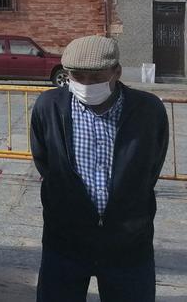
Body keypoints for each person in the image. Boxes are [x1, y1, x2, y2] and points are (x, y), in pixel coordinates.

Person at [30, 35, 168, 302]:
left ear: (116, 71)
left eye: (95, 77)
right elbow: (46, 163)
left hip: (128, 243)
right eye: (77, 76)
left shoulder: (148, 110)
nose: (85, 84)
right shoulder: (49, 106)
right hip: (65, 240)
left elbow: (150, 166)